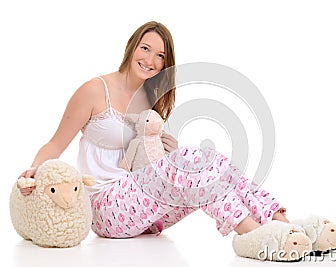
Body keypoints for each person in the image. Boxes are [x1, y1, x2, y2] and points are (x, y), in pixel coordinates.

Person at [18, 21, 289, 240]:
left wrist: (168, 153)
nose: (150, 60)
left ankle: (277, 219)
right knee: (192, 158)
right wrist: (34, 169)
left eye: (160, 56)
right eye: (145, 49)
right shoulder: (94, 90)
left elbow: (146, 166)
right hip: (106, 210)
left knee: (207, 160)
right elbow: (55, 144)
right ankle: (255, 233)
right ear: (131, 46)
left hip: (147, 217)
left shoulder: (151, 100)